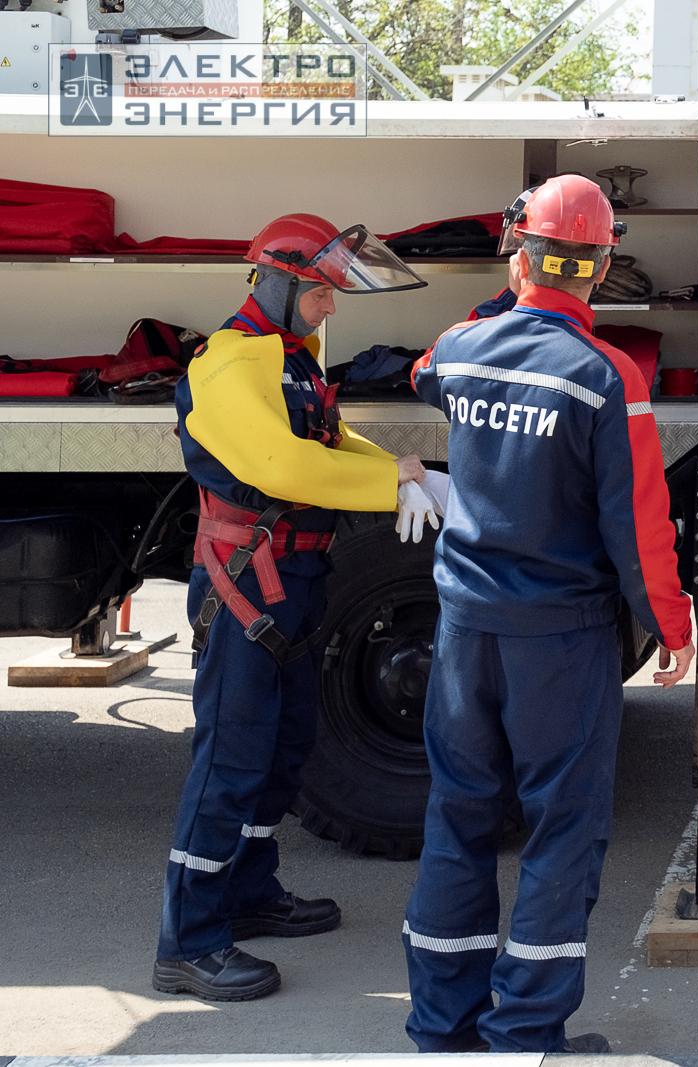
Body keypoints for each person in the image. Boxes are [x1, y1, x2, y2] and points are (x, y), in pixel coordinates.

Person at [403, 175, 695, 1054]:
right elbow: (640, 527)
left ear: (519, 254)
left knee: (458, 818)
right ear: (602, 269)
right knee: (561, 830)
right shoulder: (609, 379)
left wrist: (515, 289)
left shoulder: (462, 350)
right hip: (559, 641)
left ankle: (441, 1023)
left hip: (463, 628)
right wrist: (672, 627)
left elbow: (422, 372)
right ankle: (526, 1027)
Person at [157, 213, 434, 1001]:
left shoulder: (292, 358)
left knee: (282, 750)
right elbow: (280, 464)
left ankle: (249, 892)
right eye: (320, 294)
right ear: (278, 285)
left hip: (294, 583)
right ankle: (189, 940)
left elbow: (331, 441)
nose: (331, 309)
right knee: (229, 759)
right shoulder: (228, 362)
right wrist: (391, 486)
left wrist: (408, 471)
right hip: (248, 585)